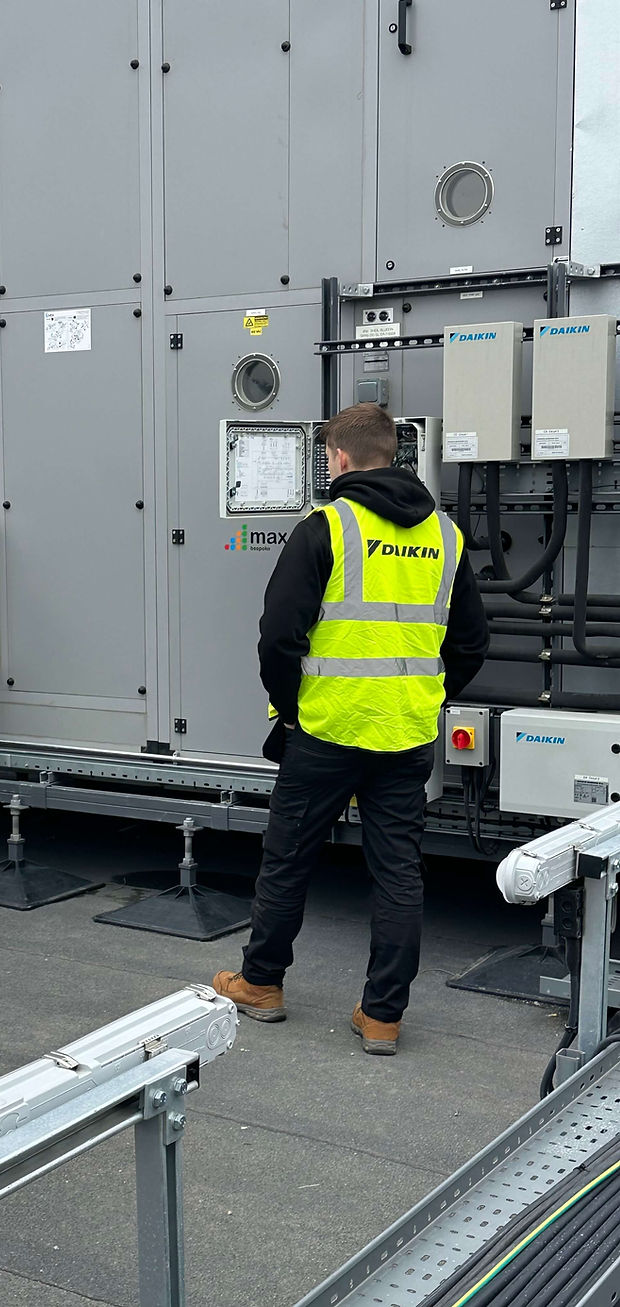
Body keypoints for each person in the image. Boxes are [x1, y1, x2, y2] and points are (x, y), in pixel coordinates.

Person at [212, 403, 489, 1054]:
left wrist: (295, 707)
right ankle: (383, 1015)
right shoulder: (446, 536)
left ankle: (261, 984)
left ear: (335, 457)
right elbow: (472, 643)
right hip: (404, 733)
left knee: (288, 860)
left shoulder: (325, 527)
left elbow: (278, 635)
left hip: (327, 730)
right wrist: (425, 692)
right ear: (397, 454)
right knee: (398, 872)